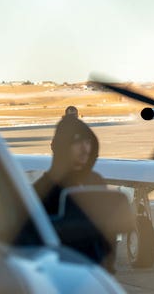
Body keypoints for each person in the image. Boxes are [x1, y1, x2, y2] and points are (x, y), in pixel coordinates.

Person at [34, 115, 115, 271]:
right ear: (63, 146)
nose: (85, 149)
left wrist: (108, 265)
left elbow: (109, 230)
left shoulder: (96, 182)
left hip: (95, 274)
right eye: (77, 143)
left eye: (87, 142)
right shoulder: (42, 190)